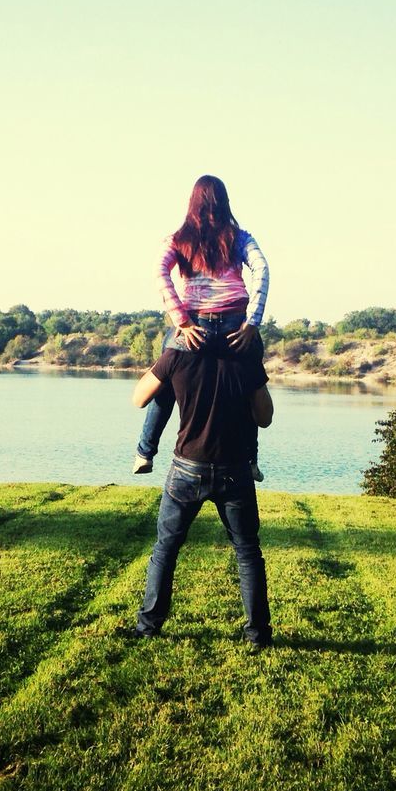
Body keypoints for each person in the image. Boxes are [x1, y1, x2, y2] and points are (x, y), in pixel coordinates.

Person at [127, 326, 275, 647]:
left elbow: (139, 399)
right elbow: (264, 418)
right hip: (235, 469)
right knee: (248, 553)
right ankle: (258, 635)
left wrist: (165, 365)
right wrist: (254, 375)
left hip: (186, 470)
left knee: (165, 549)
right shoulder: (246, 358)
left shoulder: (177, 354)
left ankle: (147, 628)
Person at [133, 175, 269, 480]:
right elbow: (261, 269)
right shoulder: (240, 237)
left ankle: (144, 452)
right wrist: (253, 322)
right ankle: (251, 461)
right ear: (225, 202)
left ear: (192, 203)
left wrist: (180, 320)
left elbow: (159, 271)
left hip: (196, 324)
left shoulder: (179, 239)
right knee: (247, 385)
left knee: (165, 381)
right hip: (236, 325)